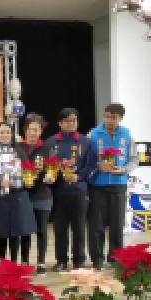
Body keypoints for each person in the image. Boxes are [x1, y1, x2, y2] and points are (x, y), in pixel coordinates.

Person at [45, 108, 97, 271]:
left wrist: (79, 177)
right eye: (67, 121)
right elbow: (46, 164)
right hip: (58, 191)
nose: (71, 123)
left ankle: (79, 260)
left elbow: (92, 165)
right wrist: (52, 175)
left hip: (79, 191)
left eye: (74, 120)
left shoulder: (86, 142)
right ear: (60, 123)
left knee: (79, 227)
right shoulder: (51, 142)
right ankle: (61, 260)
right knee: (60, 228)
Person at [88, 103, 137, 267]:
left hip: (119, 185)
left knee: (117, 224)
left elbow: (134, 159)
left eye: (113, 117)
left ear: (120, 118)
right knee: (97, 225)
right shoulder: (93, 134)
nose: (109, 120)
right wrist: (98, 166)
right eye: (107, 116)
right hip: (98, 185)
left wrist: (124, 170)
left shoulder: (127, 135)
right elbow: (87, 158)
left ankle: (115, 258)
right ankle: (97, 259)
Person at [0, 121, 37, 262]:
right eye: (2, 132)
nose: (5, 135)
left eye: (8, 132)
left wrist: (27, 179)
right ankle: (2, 262)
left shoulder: (19, 151)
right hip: (0, 198)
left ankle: (15, 263)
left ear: (12, 134)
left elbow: (28, 170)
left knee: (17, 232)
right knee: (1, 233)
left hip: (18, 197)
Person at [19, 113, 54, 275]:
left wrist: (51, 176)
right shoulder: (18, 148)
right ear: (25, 130)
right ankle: (25, 261)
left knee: (42, 230)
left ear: (41, 131)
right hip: (22, 194)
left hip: (42, 195)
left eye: (36, 130)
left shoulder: (47, 149)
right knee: (24, 230)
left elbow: (53, 168)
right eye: (30, 129)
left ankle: (41, 262)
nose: (33, 133)